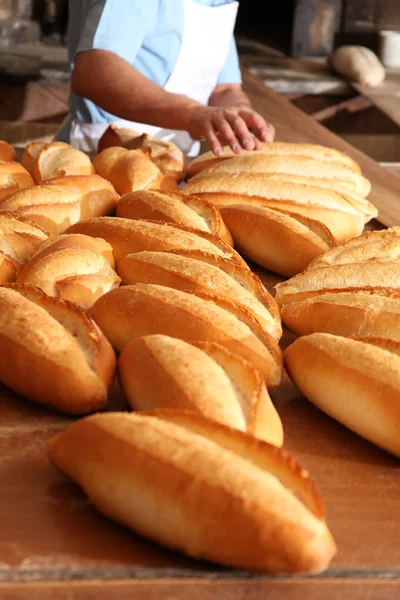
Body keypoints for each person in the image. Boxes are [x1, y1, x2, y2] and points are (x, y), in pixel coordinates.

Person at [56, 0, 276, 157]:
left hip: (173, 161)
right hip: (101, 155)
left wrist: (237, 116)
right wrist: (192, 114)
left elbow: (225, 88)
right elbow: (94, 72)